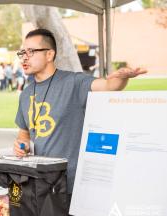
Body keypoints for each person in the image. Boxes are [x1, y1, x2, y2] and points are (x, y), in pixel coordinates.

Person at [13, 28, 146, 208]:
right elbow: (24, 135)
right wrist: (22, 146)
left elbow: (107, 85)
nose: (24, 57)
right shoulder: (26, 94)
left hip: (72, 185)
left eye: (31, 51)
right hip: (40, 182)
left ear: (49, 54)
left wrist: (121, 78)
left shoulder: (73, 82)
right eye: (22, 52)